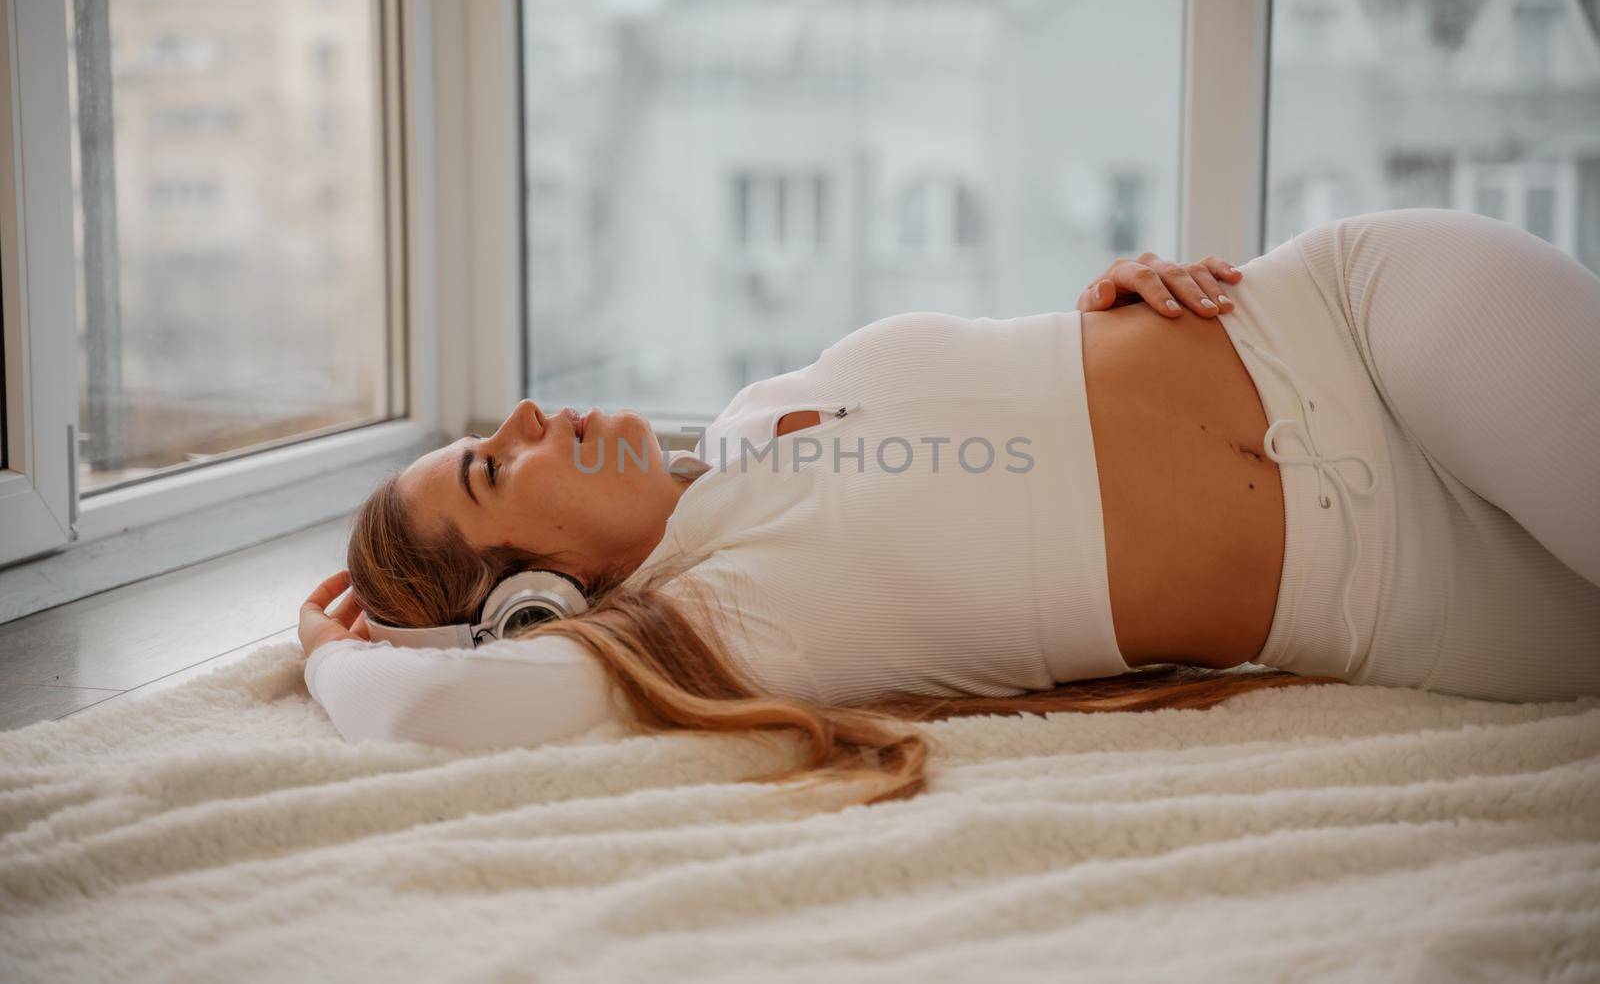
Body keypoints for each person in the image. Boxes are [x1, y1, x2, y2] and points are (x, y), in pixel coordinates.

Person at [300, 208, 1600, 807]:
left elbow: (1019, 393)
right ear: (535, 602)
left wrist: (1117, 295)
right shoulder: (726, 626)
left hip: (1356, 326)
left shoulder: (760, 411)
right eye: (490, 468)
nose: (529, 417)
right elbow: (424, 711)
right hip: (1404, 600)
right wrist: (332, 650)